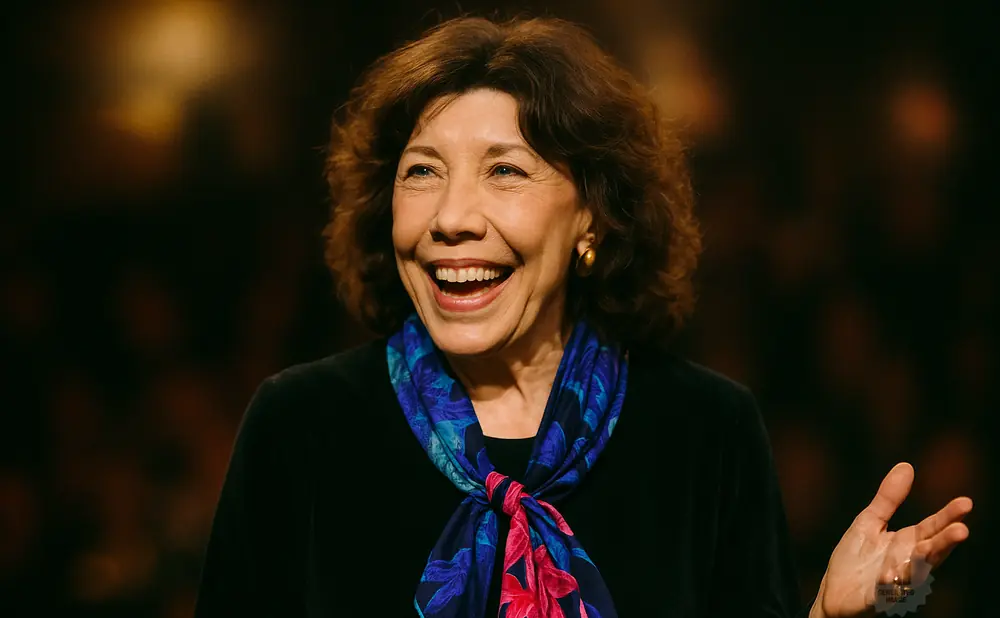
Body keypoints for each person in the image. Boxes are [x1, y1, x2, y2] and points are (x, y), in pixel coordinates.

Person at [194, 16, 973, 618]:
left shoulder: (706, 431)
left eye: (505, 171)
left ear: (593, 219)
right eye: (422, 172)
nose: (452, 217)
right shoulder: (300, 426)